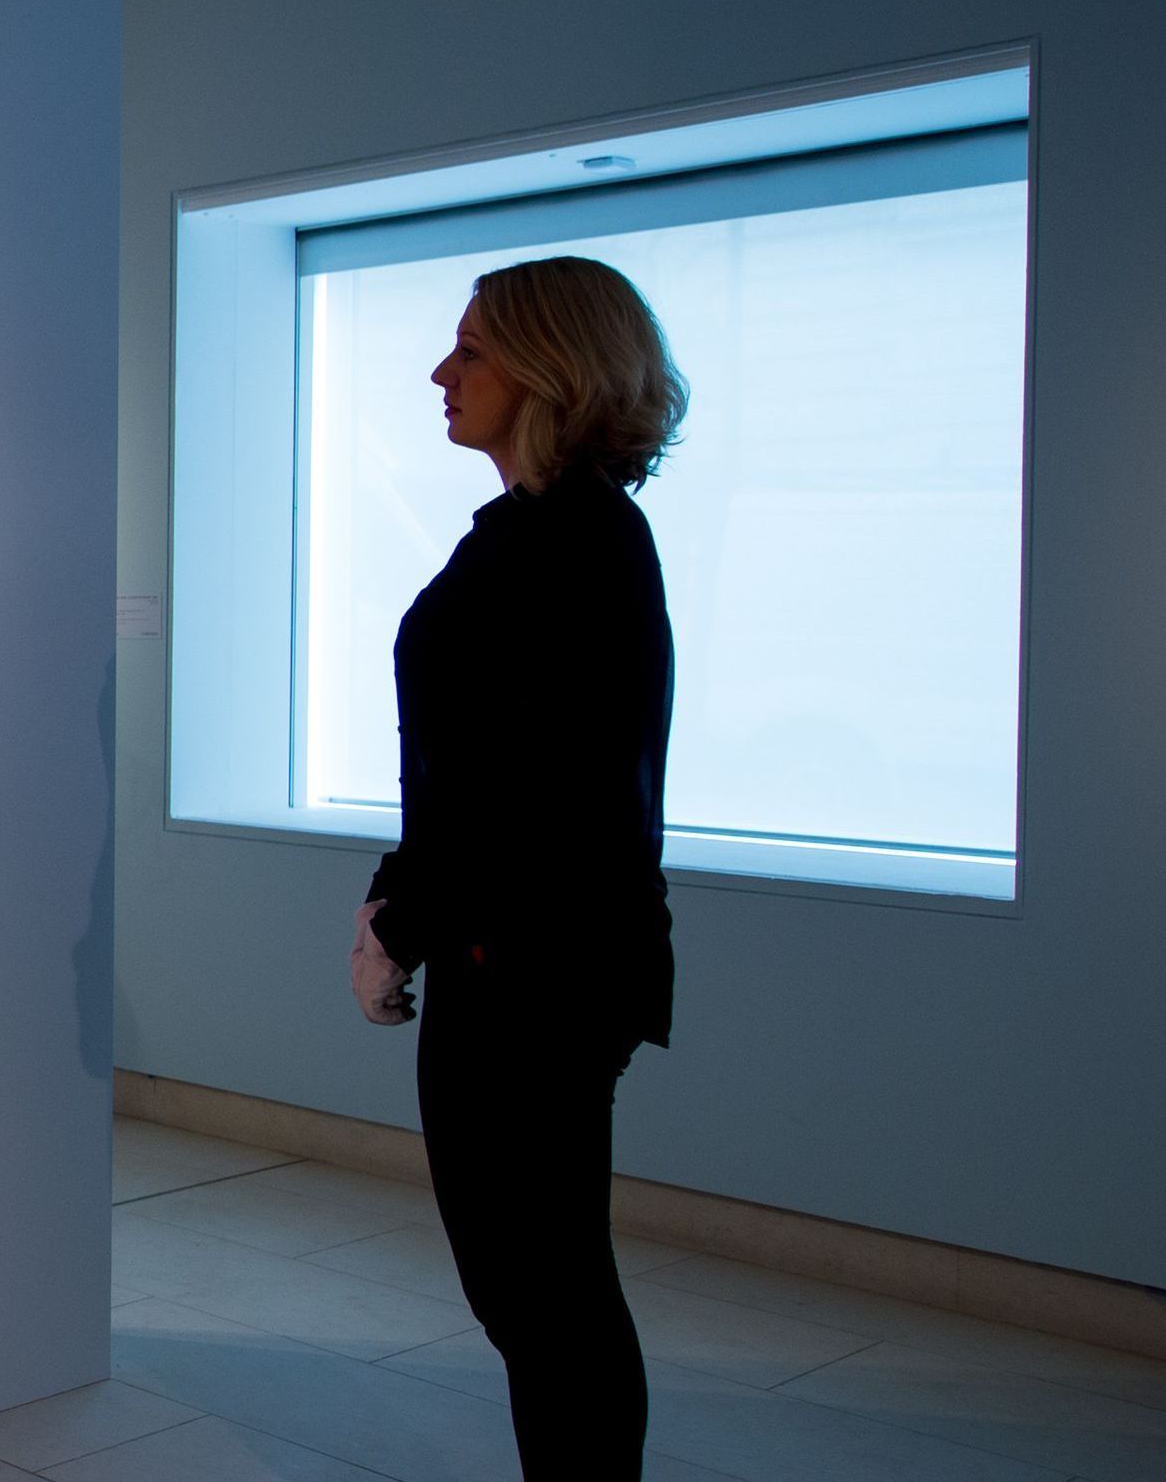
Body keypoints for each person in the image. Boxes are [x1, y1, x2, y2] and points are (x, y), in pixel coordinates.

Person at [347, 255, 684, 1480]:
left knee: (544, 1302)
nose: (443, 372)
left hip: (536, 968)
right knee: (533, 1299)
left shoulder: (574, 544)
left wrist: (403, 920)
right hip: (520, 957)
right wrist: (395, 898)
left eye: (471, 348)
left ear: (547, 367)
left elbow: (526, 788)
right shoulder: (540, 535)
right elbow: (466, 761)